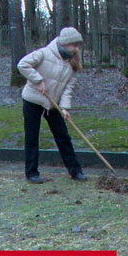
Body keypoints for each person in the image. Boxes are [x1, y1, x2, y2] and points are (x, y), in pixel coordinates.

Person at [17, 27, 87, 183]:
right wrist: (38, 81)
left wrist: (64, 108)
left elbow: (68, 89)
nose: (76, 49)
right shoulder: (44, 53)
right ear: (64, 43)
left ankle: (75, 171)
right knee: (32, 137)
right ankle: (32, 173)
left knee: (63, 137)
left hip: (53, 104)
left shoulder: (73, 62)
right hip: (33, 100)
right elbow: (23, 64)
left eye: (78, 45)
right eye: (73, 45)